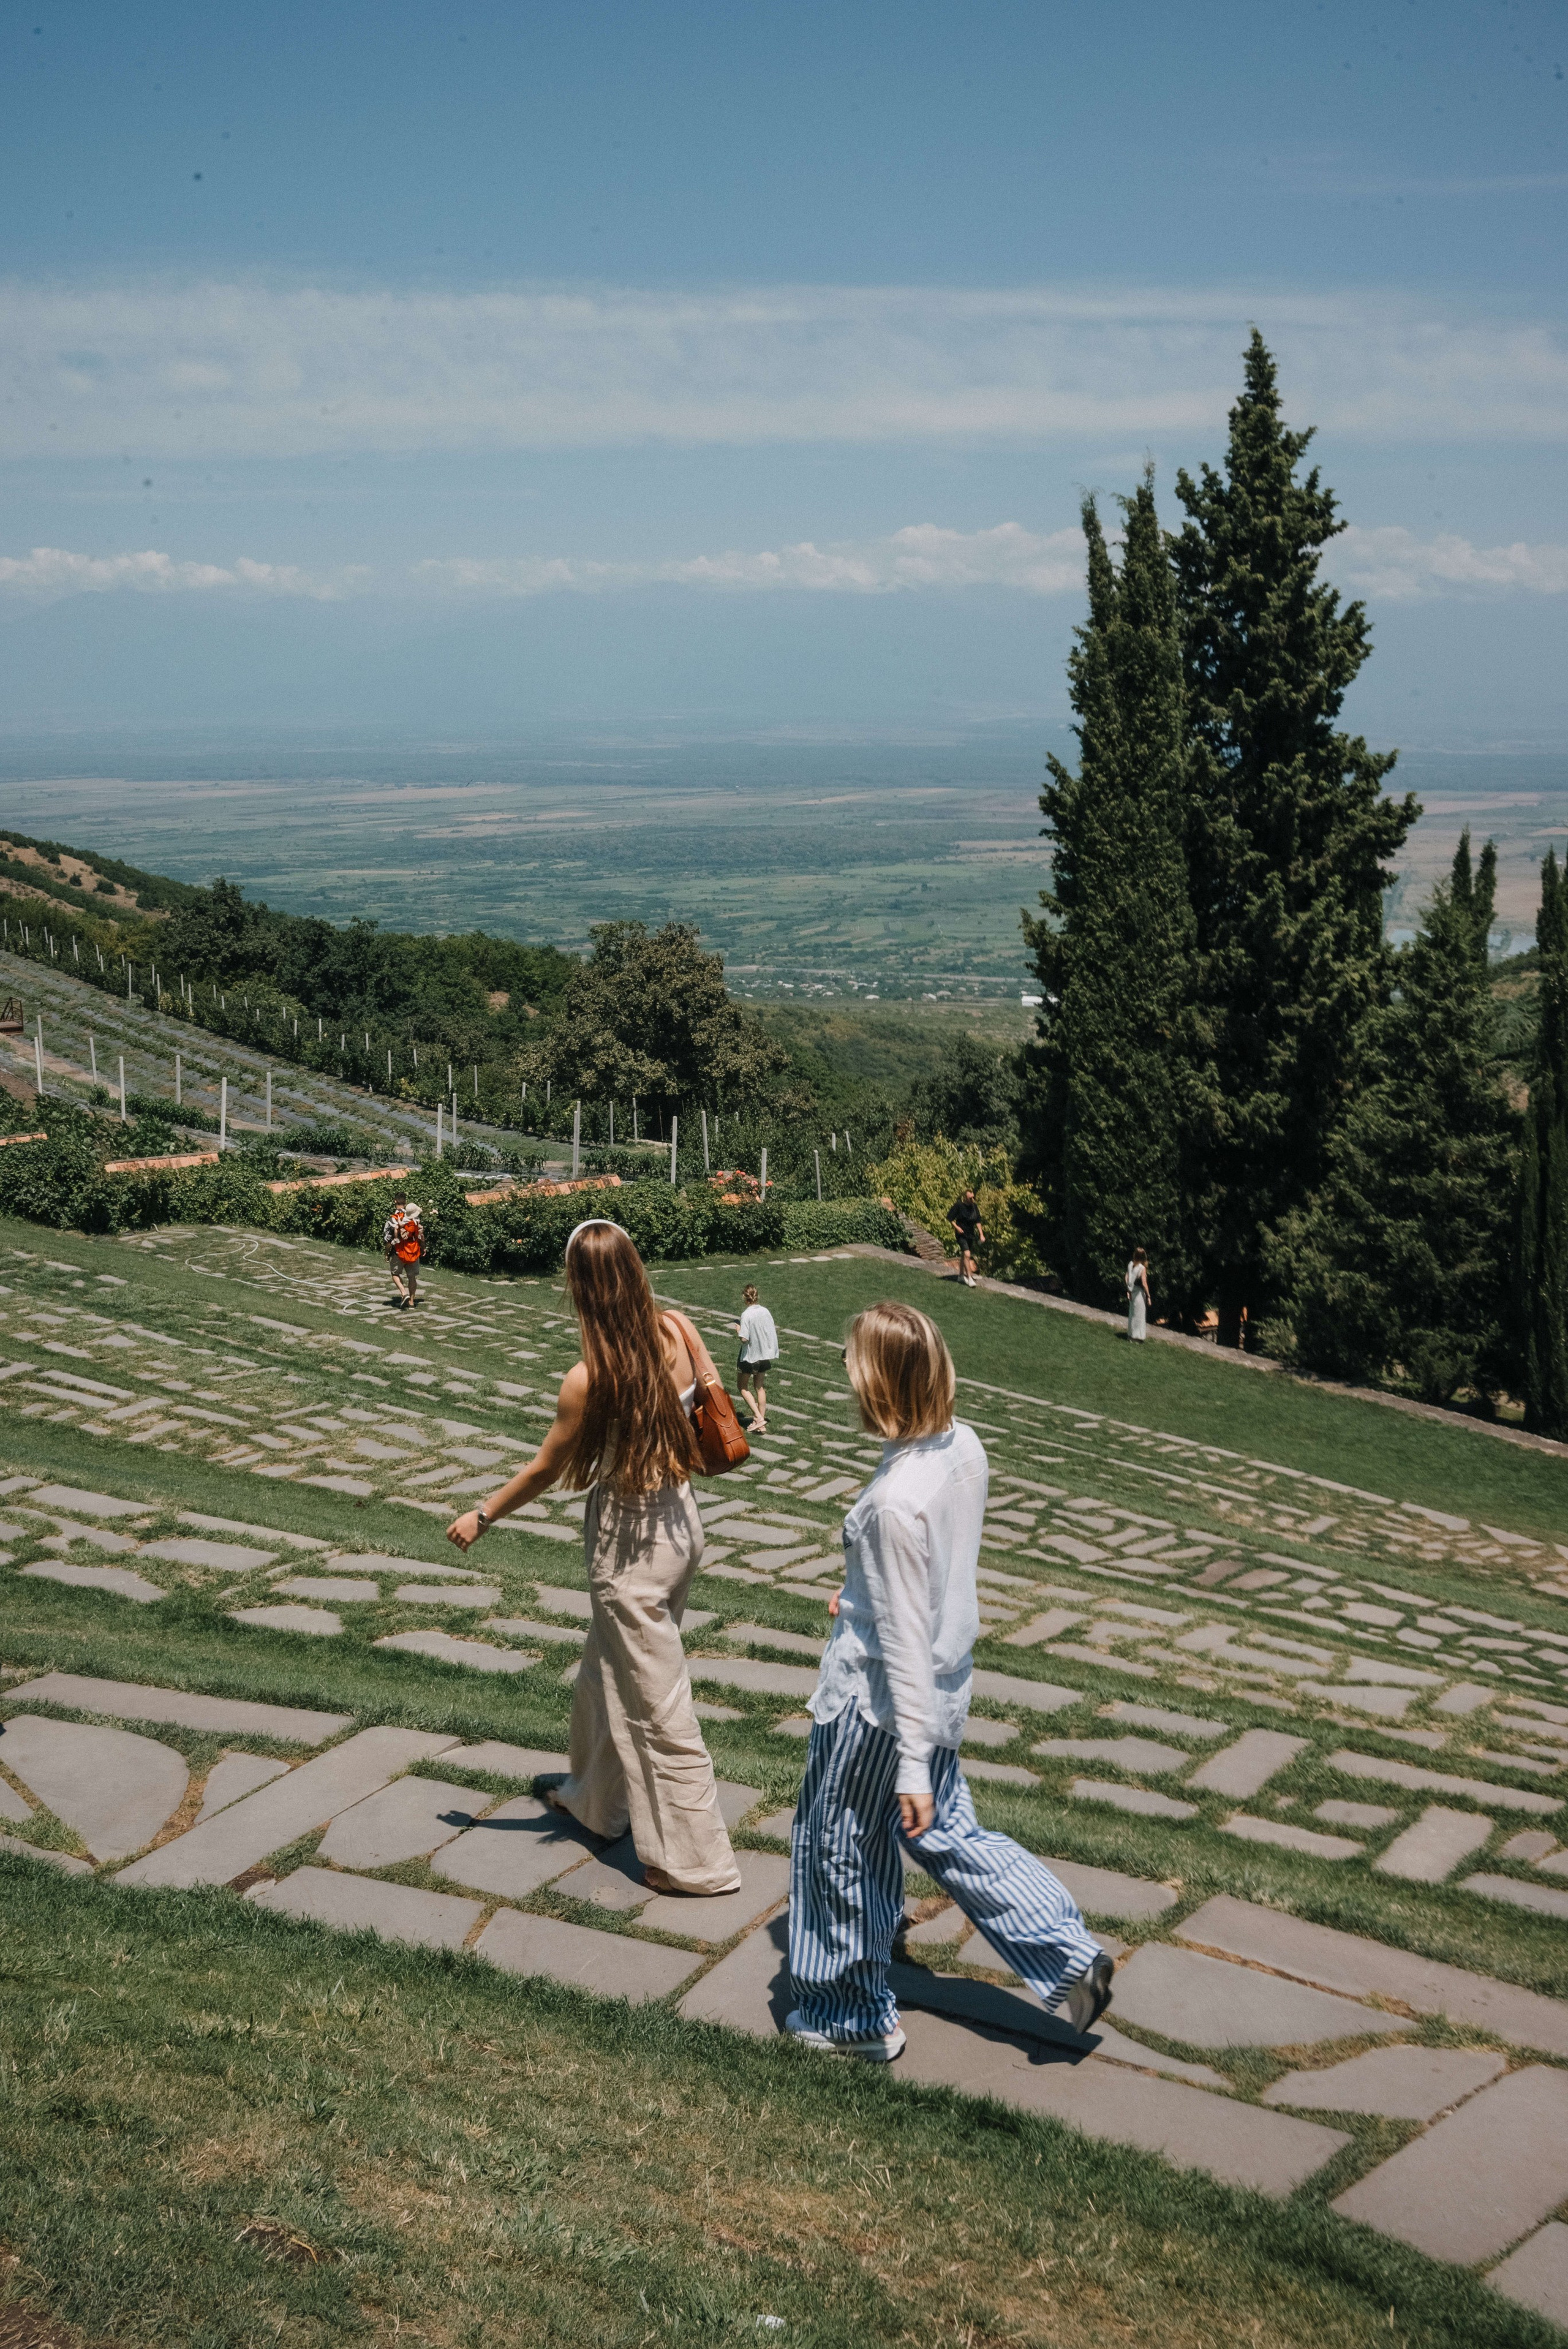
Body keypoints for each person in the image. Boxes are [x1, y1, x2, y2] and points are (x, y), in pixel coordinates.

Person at [785, 1299, 1113, 2060]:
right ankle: (1066, 1955)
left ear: (883, 1384)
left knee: (836, 1841)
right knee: (946, 1830)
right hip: (943, 1684)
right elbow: (925, 1584)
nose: (843, 1368)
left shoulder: (892, 1507)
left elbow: (899, 1631)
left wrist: (907, 1761)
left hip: (880, 1705)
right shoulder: (961, 1446)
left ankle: (850, 2016)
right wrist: (863, 1596)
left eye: (853, 1360)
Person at [447, 1218, 741, 1897]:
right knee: (604, 1675)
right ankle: (593, 1801)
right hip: (681, 1525)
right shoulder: (678, 1329)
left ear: (580, 1289)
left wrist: (482, 1513)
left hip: (629, 1545)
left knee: (657, 1706)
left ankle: (696, 1862)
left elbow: (549, 1467)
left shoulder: (590, 1377)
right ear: (634, 1272)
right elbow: (709, 1400)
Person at [734, 1283, 778, 1434]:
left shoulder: (746, 1315)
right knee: (759, 1387)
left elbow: (744, 1339)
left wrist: (739, 1330)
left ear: (745, 1298)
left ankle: (759, 1418)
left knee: (742, 1387)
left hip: (750, 1357)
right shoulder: (765, 1311)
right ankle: (762, 1423)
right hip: (764, 1355)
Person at [383, 1190, 423, 1308]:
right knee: (412, 1277)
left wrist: (386, 1254)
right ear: (405, 1203)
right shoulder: (415, 1218)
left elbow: (387, 1239)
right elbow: (420, 1235)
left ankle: (403, 1293)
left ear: (395, 1201)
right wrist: (423, 1248)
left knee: (395, 1273)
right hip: (413, 1251)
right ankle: (411, 1302)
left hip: (399, 1252)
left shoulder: (392, 1220)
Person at [948, 1188, 984, 1287]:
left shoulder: (974, 1207)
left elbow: (978, 1221)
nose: (972, 1199)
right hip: (961, 1234)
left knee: (965, 1255)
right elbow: (950, 1218)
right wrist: (957, 1227)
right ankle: (969, 1278)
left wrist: (981, 1234)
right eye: (970, 1198)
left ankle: (960, 1276)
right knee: (967, 1254)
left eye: (973, 1197)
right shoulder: (959, 1206)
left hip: (971, 1234)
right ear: (965, 1198)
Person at [1126, 1247, 1150, 1343]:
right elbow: (1144, 1283)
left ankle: (1131, 1336)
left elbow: (1127, 1277)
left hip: (1132, 1292)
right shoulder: (1142, 1268)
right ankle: (1137, 1338)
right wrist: (1148, 1296)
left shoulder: (1131, 1265)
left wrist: (1128, 1290)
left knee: (1133, 1314)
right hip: (1139, 1294)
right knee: (1139, 1315)